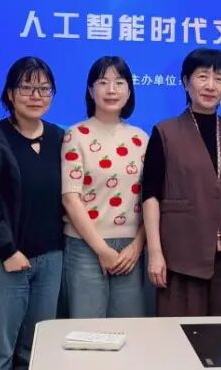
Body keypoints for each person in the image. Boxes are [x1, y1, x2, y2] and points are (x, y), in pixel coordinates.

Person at [142, 48, 221, 317]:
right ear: (185, 81)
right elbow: (151, 195)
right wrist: (155, 253)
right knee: (179, 335)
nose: (210, 85)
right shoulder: (165, 132)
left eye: (219, 79)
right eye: (202, 76)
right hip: (182, 257)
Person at [0, 57, 65, 369]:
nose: (36, 96)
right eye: (26, 88)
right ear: (10, 93)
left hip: (51, 259)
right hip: (5, 260)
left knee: (36, 351)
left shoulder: (59, 138)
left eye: (44, 89)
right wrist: (7, 250)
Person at [61, 56, 148, 318]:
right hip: (85, 245)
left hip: (131, 248)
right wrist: (102, 250)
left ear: (129, 91)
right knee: (87, 329)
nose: (111, 90)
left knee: (128, 328)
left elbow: (151, 199)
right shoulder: (75, 135)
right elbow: (70, 198)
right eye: (102, 82)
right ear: (90, 90)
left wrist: (137, 246)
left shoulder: (141, 138)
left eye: (119, 83)